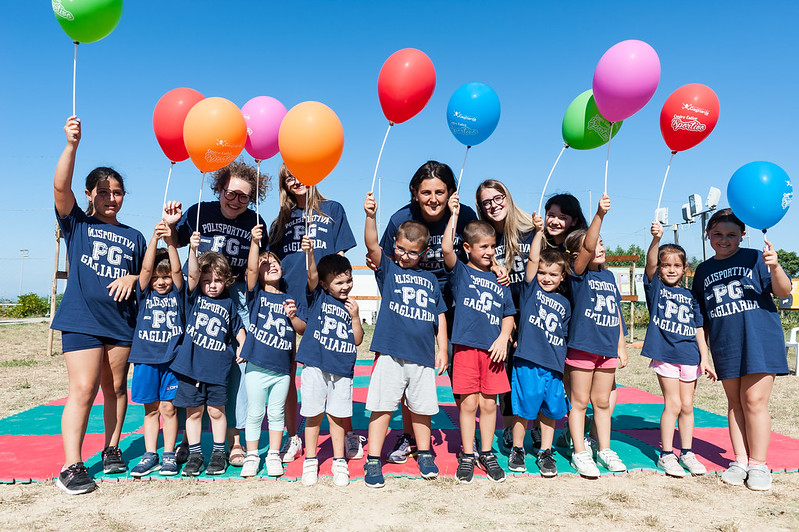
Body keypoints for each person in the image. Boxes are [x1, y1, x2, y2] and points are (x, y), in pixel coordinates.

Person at [52, 116, 147, 495]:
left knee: (117, 388)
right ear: (90, 194)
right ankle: (71, 466)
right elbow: (60, 186)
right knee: (84, 388)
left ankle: (111, 448)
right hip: (82, 319)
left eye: (118, 192)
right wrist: (72, 146)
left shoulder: (134, 236)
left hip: (121, 323)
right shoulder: (76, 224)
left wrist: (132, 280)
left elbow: (146, 279)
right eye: (104, 192)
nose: (112, 198)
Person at [170, 162, 268, 467]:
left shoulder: (255, 221)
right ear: (219, 188)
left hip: (235, 295)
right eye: (231, 193)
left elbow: (257, 267)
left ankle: (235, 440)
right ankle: (190, 438)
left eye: (244, 197)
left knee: (239, 365)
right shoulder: (200, 211)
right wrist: (172, 226)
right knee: (191, 356)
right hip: (198, 293)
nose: (235, 201)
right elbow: (174, 244)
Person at [379, 160, 478, 464]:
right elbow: (383, 264)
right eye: (426, 192)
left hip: (459, 298)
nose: (433, 199)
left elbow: (480, 253)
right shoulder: (401, 220)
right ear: (414, 192)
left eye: (440, 191)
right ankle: (410, 437)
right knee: (412, 370)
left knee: (460, 371)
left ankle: (469, 443)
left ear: (451, 193)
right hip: (417, 301)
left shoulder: (464, 216)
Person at [691, 209, 792, 491]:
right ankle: (740, 460)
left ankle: (759, 465)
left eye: (732, 235)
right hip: (726, 345)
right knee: (735, 404)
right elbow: (701, 318)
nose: (724, 240)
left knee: (754, 402)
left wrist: (775, 266)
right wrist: (705, 355)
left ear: (742, 236)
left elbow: (783, 292)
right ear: (708, 234)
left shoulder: (755, 258)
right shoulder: (702, 270)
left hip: (760, 340)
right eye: (718, 234)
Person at [268, 163, 357, 463]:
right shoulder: (280, 221)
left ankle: (347, 431)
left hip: (325, 300)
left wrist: (340, 292)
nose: (296, 181)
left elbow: (341, 259)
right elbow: (273, 265)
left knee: (337, 367)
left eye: (300, 172)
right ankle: (294, 436)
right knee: (290, 371)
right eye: (288, 177)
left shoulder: (333, 209)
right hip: (289, 299)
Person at [361, 192, 448, 488]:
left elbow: (440, 315)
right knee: (383, 405)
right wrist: (371, 216)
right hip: (391, 353)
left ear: (423, 253)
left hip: (422, 356)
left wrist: (443, 348)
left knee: (422, 408)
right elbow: (372, 245)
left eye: (412, 252)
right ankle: (373, 459)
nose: (404, 256)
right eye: (400, 249)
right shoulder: (389, 269)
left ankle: (424, 453)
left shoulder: (431, 280)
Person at [443, 193, 515, 483]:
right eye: (483, 247)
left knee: (489, 404)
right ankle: (468, 454)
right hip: (465, 349)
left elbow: (508, 314)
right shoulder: (460, 272)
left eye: (493, 246)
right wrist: (454, 214)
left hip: (494, 352)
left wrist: (503, 338)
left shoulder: (500, 278)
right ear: (468, 248)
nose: (489, 251)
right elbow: (447, 247)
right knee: (468, 404)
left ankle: (487, 453)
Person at [643, 221, 717, 478]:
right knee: (672, 404)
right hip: (665, 355)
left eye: (676, 266)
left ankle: (687, 451)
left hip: (690, 356)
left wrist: (705, 359)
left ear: (685, 269)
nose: (671, 270)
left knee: (687, 405)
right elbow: (649, 264)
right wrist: (655, 240)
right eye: (666, 265)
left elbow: (699, 328)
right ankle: (666, 454)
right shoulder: (656, 289)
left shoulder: (691, 296)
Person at [169, 233, 247, 477]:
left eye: (218, 280)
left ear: (227, 281)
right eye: (207, 280)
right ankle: (194, 454)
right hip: (190, 367)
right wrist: (192, 250)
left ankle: (217, 453)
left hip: (217, 369)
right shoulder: (193, 299)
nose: (212, 284)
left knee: (216, 411)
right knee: (193, 412)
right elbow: (191, 275)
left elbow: (239, 329)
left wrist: (243, 346)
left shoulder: (229, 304)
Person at [563, 195, 628, 478]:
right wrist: (599, 216)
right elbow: (587, 247)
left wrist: (621, 346)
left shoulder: (610, 277)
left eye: (602, 242)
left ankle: (604, 449)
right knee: (579, 403)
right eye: (594, 244)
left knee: (602, 403)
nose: (598, 246)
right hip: (582, 349)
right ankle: (580, 452)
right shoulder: (578, 275)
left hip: (606, 350)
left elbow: (616, 314)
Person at [238, 224, 306, 478]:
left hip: (281, 370)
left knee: (276, 413)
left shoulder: (289, 299)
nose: (270, 265)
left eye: (274, 261)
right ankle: (253, 455)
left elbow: (299, 331)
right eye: (265, 264)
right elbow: (253, 269)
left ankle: (274, 454)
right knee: (256, 413)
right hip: (257, 366)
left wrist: (293, 316)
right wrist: (255, 244)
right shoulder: (255, 295)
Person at [507, 213, 572, 477]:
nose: (546, 277)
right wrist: (538, 233)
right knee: (524, 410)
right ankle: (518, 448)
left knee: (551, 411)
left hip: (553, 366)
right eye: (543, 273)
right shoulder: (530, 290)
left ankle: (545, 452)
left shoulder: (566, 304)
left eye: (552, 274)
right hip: (528, 362)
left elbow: (564, 337)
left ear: (562, 277)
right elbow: (533, 259)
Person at [297, 236, 364, 487]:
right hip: (315, 365)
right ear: (325, 285)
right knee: (313, 414)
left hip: (342, 369)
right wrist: (310, 254)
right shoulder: (318, 298)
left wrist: (356, 316)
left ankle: (338, 461)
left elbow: (357, 340)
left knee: (337, 416)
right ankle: (311, 460)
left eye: (348, 280)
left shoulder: (350, 306)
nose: (345, 286)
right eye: (339, 282)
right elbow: (312, 275)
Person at [475, 179, 536, 451]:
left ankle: (534, 427)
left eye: (498, 198)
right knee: (507, 371)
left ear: (508, 197)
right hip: (504, 315)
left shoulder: (531, 231)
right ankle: (510, 428)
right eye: (486, 201)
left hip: (534, 313)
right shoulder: (487, 238)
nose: (493, 205)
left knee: (536, 372)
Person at [128, 217, 185, 477]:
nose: (162, 282)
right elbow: (146, 268)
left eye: (165, 278)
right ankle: (150, 452)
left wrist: (170, 242)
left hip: (172, 360)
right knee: (150, 409)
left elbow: (176, 272)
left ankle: (169, 454)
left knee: (169, 408)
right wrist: (154, 238)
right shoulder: (144, 292)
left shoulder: (178, 293)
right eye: (156, 278)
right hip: (145, 359)